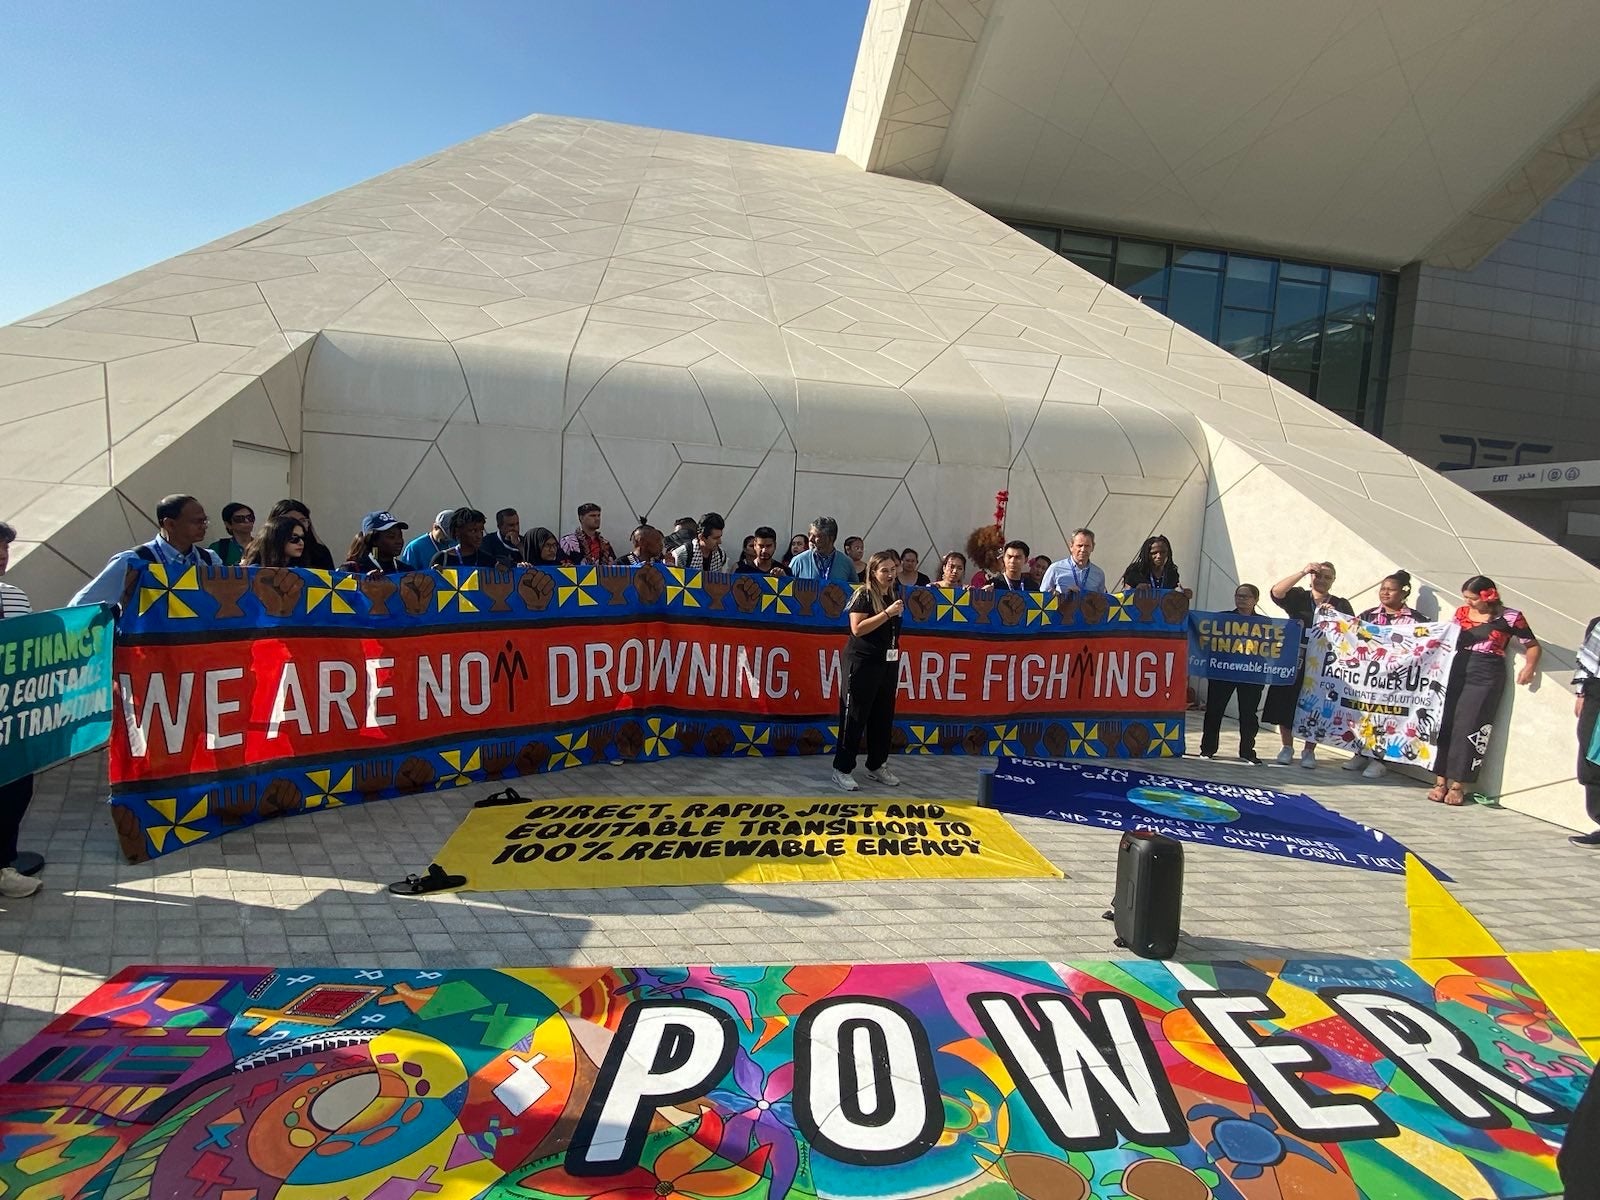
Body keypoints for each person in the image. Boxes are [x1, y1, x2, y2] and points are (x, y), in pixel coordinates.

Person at [1431, 576, 1540, 807]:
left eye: (1472, 598)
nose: (1467, 602)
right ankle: (1440, 781)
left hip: (1486, 672)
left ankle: (1460, 784)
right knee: (1446, 723)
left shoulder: (1511, 617)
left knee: (1471, 726)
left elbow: (1532, 645)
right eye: (1465, 598)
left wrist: (1529, 667)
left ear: (1487, 596)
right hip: (1457, 667)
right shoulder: (1461, 613)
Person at [1261, 560, 1354, 767]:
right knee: (1286, 700)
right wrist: (1303, 572)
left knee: (1316, 703)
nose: (1321, 580)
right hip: (1295, 655)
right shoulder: (1300, 597)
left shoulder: (1340, 603)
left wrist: (1335, 616)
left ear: (1333, 581)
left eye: (1327, 577)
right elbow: (1277, 592)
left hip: (1321, 662)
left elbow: (1351, 630)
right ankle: (1287, 746)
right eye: (1318, 575)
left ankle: (1309, 750)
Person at [832, 549, 906, 793]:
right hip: (861, 662)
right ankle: (842, 768)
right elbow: (857, 629)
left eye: (893, 570)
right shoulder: (863, 594)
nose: (890, 575)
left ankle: (877, 764)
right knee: (855, 715)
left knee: (883, 715)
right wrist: (887, 614)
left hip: (887, 662)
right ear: (873, 572)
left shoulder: (894, 594)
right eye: (884, 570)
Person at [71, 494, 223, 607]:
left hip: (194, 646)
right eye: (197, 521)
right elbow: (82, 606)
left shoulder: (209, 560)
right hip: (146, 647)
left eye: (205, 520)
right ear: (169, 524)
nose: (204, 526)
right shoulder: (133, 561)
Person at [1343, 570, 1422, 778]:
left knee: (1387, 716)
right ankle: (1360, 752)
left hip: (1395, 680)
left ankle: (1379, 759)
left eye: (1391, 590)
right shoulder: (1368, 615)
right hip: (1368, 677)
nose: (1385, 593)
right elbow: (1350, 634)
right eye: (1383, 589)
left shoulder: (1416, 620)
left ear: (1404, 593)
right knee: (1364, 712)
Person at [0, 523, 42, 898]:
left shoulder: (15, 596)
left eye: (5, 548)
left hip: (11, 719)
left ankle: (3, 864)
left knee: (16, 788)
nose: (1, 555)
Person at [1199, 584, 1267, 766]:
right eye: (1238, 595)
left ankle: (1247, 751)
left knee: (1248, 714)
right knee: (1214, 710)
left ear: (1255, 600)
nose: (1241, 599)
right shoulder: (1223, 619)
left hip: (1251, 675)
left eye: (1245, 596)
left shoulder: (1264, 624)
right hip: (1224, 672)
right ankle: (1207, 749)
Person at [1570, 613, 1600, 847]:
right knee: (1591, 758)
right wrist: (1581, 693)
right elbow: (1587, 663)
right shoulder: (1597, 624)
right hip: (1597, 696)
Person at [266, 499, 334, 570]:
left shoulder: (320, 553)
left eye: (302, 520)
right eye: (289, 520)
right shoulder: (261, 551)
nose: (297, 524)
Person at [1040, 527, 1107, 596]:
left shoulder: (1099, 574)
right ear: (1071, 546)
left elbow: (1102, 601)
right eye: (1079, 545)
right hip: (1063, 606)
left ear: (1093, 547)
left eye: (1087, 546)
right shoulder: (1055, 568)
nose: (1083, 549)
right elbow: (1042, 595)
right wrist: (1060, 595)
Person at [789, 517, 857, 585]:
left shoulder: (846, 563)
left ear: (831, 538)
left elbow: (856, 591)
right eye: (810, 534)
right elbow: (786, 587)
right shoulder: (799, 561)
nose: (810, 539)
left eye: (816, 536)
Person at [340, 511, 410, 575]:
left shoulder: (407, 571)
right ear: (374, 540)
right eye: (391, 537)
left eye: (400, 536)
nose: (399, 541)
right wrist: (364, 582)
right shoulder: (352, 570)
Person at [432, 508, 500, 569]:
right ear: (457, 531)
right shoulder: (442, 559)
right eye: (473, 531)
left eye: (481, 531)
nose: (479, 536)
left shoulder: (489, 561)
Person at [1117, 534, 1182, 592]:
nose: (1159, 556)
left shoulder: (1171, 572)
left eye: (1163, 552)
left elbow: (1175, 593)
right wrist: (1136, 590)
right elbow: (1124, 595)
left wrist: (1183, 593)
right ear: (1147, 554)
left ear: (1168, 553)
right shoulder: (1135, 571)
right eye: (1154, 553)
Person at [243, 514, 308, 567]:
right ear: (277, 538)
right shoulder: (251, 571)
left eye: (302, 538)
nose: (301, 543)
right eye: (294, 537)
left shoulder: (303, 571)